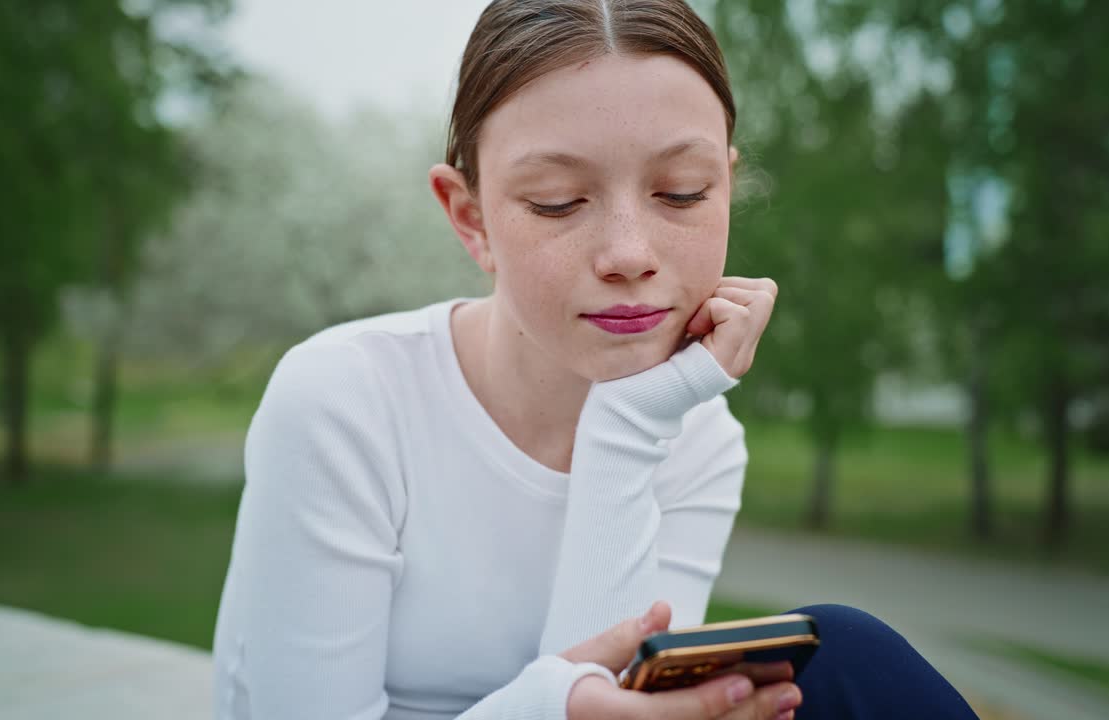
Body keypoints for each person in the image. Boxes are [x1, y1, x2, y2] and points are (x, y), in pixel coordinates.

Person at [211, 1, 980, 718]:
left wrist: (626, 423)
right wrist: (558, 703)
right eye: (557, 201)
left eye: (681, 193)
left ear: (727, 186)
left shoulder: (697, 438)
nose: (628, 254)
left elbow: (619, 697)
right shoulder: (344, 400)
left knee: (843, 654)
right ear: (470, 218)